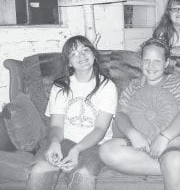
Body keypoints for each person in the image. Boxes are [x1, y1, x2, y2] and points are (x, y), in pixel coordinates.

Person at [99, 38, 180, 190]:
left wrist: (164, 137)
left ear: (166, 63)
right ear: (141, 62)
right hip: (144, 145)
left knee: (174, 159)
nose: (151, 66)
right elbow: (121, 115)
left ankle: (176, 165)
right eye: (147, 60)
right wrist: (133, 134)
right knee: (107, 150)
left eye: (157, 61)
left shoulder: (178, 84)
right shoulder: (133, 86)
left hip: (178, 139)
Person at [26, 35, 118, 190]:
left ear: (94, 55)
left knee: (83, 176)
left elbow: (100, 129)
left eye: (85, 50)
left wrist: (76, 150)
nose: (81, 56)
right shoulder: (60, 86)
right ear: (69, 62)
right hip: (63, 141)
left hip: (93, 145)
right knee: (40, 170)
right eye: (74, 54)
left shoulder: (107, 86)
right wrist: (55, 143)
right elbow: (56, 125)